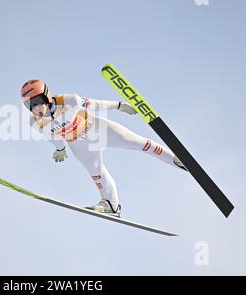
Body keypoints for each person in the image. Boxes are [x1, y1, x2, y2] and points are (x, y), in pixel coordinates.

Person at [21, 79, 187, 217]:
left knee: (139, 143)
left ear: (47, 96)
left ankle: (176, 159)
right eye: (30, 104)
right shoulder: (34, 122)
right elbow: (51, 136)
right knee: (96, 172)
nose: (35, 108)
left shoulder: (68, 101)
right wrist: (60, 148)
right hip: (79, 144)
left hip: (97, 130)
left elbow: (95, 104)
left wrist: (119, 105)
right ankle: (110, 204)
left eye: (37, 102)